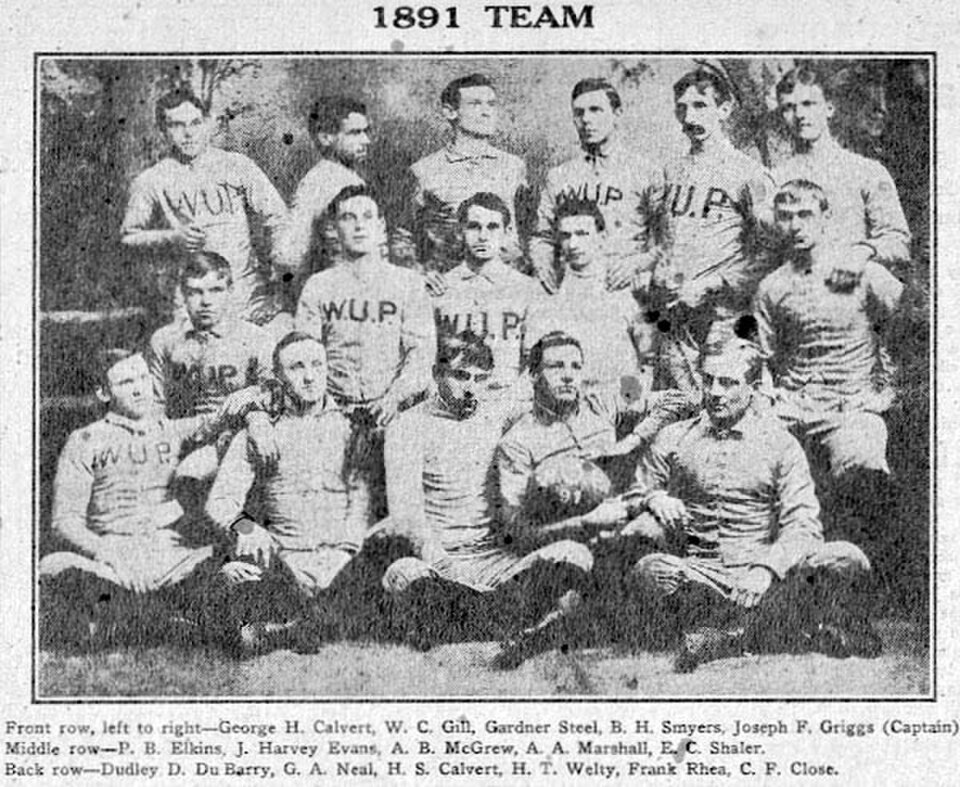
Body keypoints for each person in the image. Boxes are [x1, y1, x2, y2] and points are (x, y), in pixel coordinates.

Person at [625, 338, 881, 672]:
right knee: (650, 570)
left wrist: (766, 569)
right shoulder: (674, 436)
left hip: (769, 578)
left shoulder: (780, 444)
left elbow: (804, 525)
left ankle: (727, 636)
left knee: (847, 558)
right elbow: (635, 493)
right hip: (704, 577)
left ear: (753, 388)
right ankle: (776, 631)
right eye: (708, 380)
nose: (715, 392)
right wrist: (654, 497)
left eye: (728, 383)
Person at [380, 331, 593, 667]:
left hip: (495, 561)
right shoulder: (407, 427)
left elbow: (556, 396)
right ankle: (517, 620)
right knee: (401, 575)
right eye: (460, 376)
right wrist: (445, 565)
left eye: (480, 379)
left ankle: (476, 619)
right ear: (437, 374)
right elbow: (405, 514)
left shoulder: (494, 414)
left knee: (576, 554)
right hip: (440, 561)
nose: (470, 387)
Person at [38, 349, 260, 649]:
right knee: (53, 566)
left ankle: (144, 616)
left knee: (236, 566)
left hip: (174, 558)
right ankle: (158, 616)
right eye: (126, 382)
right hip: (114, 558)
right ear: (103, 392)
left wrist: (253, 404)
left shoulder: (175, 430)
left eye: (143, 377)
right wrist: (110, 554)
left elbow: (228, 415)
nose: (140, 389)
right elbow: (65, 521)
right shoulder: (85, 440)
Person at [754, 180, 904, 540]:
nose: (796, 226)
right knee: (746, 460)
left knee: (862, 468)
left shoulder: (864, 273)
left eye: (805, 214)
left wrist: (889, 389)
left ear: (826, 217)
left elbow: (911, 327)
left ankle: (858, 558)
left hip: (850, 405)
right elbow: (763, 358)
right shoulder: (771, 287)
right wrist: (765, 401)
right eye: (786, 216)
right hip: (793, 406)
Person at [206, 333, 371, 654]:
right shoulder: (260, 432)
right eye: (296, 367)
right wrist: (248, 528)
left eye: (317, 365)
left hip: (341, 560)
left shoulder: (351, 427)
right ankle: (310, 620)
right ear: (278, 377)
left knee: (384, 565)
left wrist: (346, 553)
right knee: (238, 577)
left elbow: (360, 499)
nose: (309, 376)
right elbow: (221, 500)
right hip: (283, 560)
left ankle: (292, 625)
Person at [296, 185, 436, 516]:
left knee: (396, 511)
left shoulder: (407, 284)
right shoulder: (318, 286)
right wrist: (327, 408)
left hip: (393, 412)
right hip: (334, 412)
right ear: (334, 228)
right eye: (348, 217)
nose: (359, 225)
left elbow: (421, 355)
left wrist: (394, 398)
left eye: (367, 217)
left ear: (381, 226)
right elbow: (304, 357)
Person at [646, 64, 775, 394]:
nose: (690, 118)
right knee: (676, 407)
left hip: (725, 317)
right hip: (674, 318)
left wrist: (715, 282)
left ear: (724, 109)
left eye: (700, 106)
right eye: (682, 108)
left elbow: (771, 253)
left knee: (724, 404)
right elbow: (659, 238)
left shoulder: (749, 173)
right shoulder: (671, 171)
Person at [121, 87, 288, 327]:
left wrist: (279, 272)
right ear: (162, 130)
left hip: (246, 294)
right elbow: (128, 237)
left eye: (195, 123)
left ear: (207, 123)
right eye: (176, 126)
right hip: (191, 302)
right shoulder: (151, 179)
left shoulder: (237, 165)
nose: (188, 133)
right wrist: (172, 238)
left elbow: (278, 217)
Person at [496, 331, 690, 537]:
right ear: (533, 375)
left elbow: (679, 399)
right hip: (566, 537)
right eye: (556, 366)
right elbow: (514, 531)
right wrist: (586, 523)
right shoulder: (516, 443)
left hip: (626, 515)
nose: (568, 376)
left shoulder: (604, 402)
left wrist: (633, 439)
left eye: (576, 367)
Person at [145, 251, 275, 483]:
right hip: (181, 438)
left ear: (230, 291)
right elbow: (154, 406)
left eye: (216, 290)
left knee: (193, 475)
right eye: (195, 292)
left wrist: (254, 405)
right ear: (183, 295)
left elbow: (273, 395)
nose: (206, 301)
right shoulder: (165, 340)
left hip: (236, 440)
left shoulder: (256, 338)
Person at [773, 66, 912, 281]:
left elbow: (898, 242)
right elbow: (767, 252)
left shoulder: (867, 172)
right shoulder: (776, 178)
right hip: (798, 289)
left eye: (808, 104)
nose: (799, 114)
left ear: (829, 108)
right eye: (789, 107)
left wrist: (863, 251)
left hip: (851, 285)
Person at [529, 78, 657, 293]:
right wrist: (543, 266)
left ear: (617, 114)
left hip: (624, 288)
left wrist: (638, 264)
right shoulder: (559, 176)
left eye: (596, 110)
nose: (587, 119)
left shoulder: (645, 172)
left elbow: (666, 240)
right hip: (573, 288)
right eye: (579, 113)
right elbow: (542, 236)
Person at [395, 73, 529, 275]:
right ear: (450, 112)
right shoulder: (424, 171)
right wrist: (420, 275)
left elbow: (530, 231)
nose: (486, 112)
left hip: (507, 280)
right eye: (475, 104)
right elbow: (402, 236)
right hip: (451, 281)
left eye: (491, 104)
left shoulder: (513, 166)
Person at [527, 195, 656, 397]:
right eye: (566, 236)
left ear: (601, 237)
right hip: (567, 401)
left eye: (582, 234)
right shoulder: (550, 292)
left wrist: (633, 401)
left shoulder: (625, 286)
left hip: (620, 401)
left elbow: (649, 358)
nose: (573, 244)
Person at [432, 192, 542, 396]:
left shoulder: (527, 290)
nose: (483, 236)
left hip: (507, 400)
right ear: (460, 230)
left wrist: (513, 399)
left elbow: (535, 362)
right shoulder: (440, 288)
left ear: (507, 232)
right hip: (450, 399)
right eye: (474, 226)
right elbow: (425, 358)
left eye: (492, 227)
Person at [277, 95, 371, 282]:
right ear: (326, 137)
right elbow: (288, 254)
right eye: (355, 133)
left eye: (366, 132)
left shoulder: (351, 177)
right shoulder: (318, 182)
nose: (366, 140)